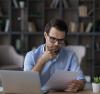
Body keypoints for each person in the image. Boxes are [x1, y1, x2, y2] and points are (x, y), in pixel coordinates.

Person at [24, 19, 85, 92]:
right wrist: (42, 60)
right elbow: (27, 84)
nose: (56, 44)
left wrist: (78, 85)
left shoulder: (71, 55)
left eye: (61, 40)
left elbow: (81, 80)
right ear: (45, 35)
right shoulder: (30, 56)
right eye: (53, 39)